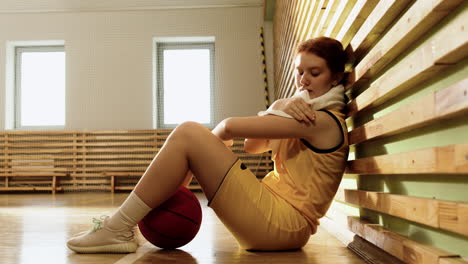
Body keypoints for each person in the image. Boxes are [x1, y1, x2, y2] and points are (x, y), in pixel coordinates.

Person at [67, 36, 351, 253]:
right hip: (274, 217)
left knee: (189, 133)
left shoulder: (323, 121)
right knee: (189, 137)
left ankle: (118, 226)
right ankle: (124, 222)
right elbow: (253, 146)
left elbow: (229, 127)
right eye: (299, 72)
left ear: (336, 78)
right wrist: (280, 105)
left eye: (315, 74)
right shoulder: (302, 114)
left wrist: (197, 160)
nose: (303, 81)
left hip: (284, 224)